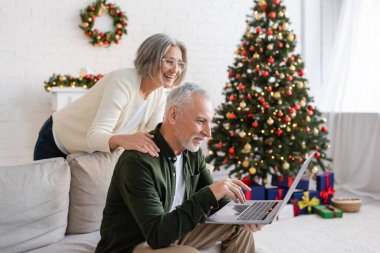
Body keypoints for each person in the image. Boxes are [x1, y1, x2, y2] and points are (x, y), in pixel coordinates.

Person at [95, 83, 263, 253]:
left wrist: (242, 215)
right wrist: (210, 194)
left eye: (209, 123)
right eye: (200, 121)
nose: (208, 133)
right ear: (173, 115)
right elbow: (157, 235)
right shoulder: (137, 162)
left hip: (173, 230)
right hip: (135, 244)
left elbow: (215, 199)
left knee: (237, 227)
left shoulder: (191, 151)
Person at [33, 33, 187, 160]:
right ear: (150, 58)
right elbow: (94, 136)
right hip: (56, 140)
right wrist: (126, 140)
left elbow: (152, 138)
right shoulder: (121, 82)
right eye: (169, 61)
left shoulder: (159, 94)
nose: (175, 70)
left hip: (87, 151)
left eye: (180, 64)